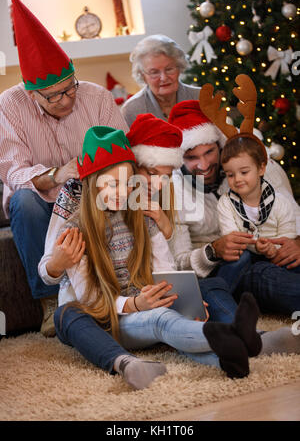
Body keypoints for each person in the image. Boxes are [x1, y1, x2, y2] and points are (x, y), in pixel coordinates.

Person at [41, 124, 266, 381]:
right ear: (93, 184)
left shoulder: (143, 216)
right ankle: (233, 334)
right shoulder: (75, 230)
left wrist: (182, 301)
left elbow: (164, 271)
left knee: (188, 300)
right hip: (106, 316)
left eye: (127, 184)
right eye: (112, 184)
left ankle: (229, 357)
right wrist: (136, 304)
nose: (123, 192)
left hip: (144, 303)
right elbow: (90, 299)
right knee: (159, 318)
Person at [0, 0, 128, 336]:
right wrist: (58, 174)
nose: (66, 99)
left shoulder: (97, 97)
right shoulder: (9, 105)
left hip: (93, 196)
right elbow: (12, 171)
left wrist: (97, 173)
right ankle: (50, 303)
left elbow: (123, 152)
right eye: (53, 95)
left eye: (69, 88)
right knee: (21, 200)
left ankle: (117, 291)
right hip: (41, 201)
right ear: (31, 93)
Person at [168, 92, 300, 320]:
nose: (204, 164)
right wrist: (212, 251)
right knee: (259, 271)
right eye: (191, 157)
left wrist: (297, 243)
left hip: (277, 252)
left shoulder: (261, 167)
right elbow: (177, 264)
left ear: (220, 145)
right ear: (180, 159)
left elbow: (293, 214)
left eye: (209, 152)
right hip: (228, 269)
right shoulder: (172, 191)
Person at [218, 135, 299, 270]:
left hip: (277, 256)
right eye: (230, 175)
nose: (237, 179)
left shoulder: (281, 203)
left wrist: (272, 248)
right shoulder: (225, 203)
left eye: (244, 172)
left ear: (261, 169)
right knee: (237, 260)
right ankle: (221, 287)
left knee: (291, 263)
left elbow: (288, 236)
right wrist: (255, 245)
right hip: (245, 256)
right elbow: (232, 237)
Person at [121, 35, 200, 127]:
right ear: (143, 76)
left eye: (169, 69)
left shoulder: (200, 97)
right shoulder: (132, 110)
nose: (164, 78)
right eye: (154, 72)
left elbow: (220, 138)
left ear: (179, 67)